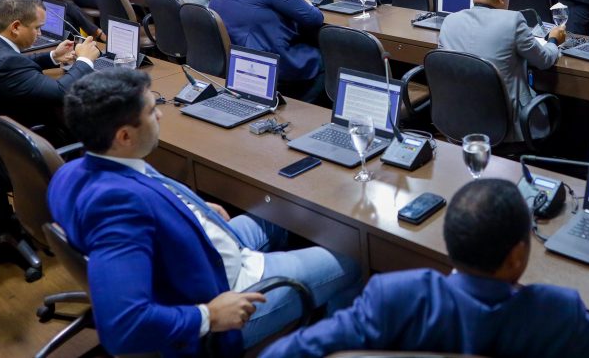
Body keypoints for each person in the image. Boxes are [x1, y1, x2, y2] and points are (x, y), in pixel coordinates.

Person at [48, 68, 360, 358]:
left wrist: (190, 208)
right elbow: (122, 327)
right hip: (222, 297)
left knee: (278, 212)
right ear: (124, 136)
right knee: (355, 258)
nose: (160, 114)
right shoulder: (118, 208)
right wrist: (209, 316)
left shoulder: (72, 171)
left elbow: (148, 205)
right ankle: (327, 344)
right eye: (151, 111)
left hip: (199, 253)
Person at [260, 178, 589, 358]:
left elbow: (282, 353)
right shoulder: (557, 313)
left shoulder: (394, 297)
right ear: (517, 257)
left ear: (449, 242)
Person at [0, 0, 99, 190]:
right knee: (74, 129)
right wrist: (85, 60)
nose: (39, 33)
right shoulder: (7, 63)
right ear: (15, 27)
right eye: (37, 28)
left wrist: (53, 56)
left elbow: (14, 63)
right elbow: (61, 91)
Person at [209, 0, 325, 102]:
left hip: (228, 54)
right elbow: (314, 18)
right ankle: (295, 108)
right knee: (324, 60)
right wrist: (306, 2)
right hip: (262, 61)